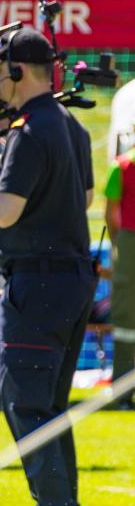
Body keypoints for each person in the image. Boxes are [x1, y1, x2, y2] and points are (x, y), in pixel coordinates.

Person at [0, 26, 95, 506]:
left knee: (24, 400)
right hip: (72, 278)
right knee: (50, 402)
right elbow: (81, 200)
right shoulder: (68, 124)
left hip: (35, 284)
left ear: (18, 72)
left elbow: (6, 212)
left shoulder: (29, 128)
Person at [103, 139, 135, 410]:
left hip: (128, 243)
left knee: (126, 322)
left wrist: (119, 245)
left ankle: (123, 393)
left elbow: (110, 212)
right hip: (127, 242)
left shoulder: (122, 164)